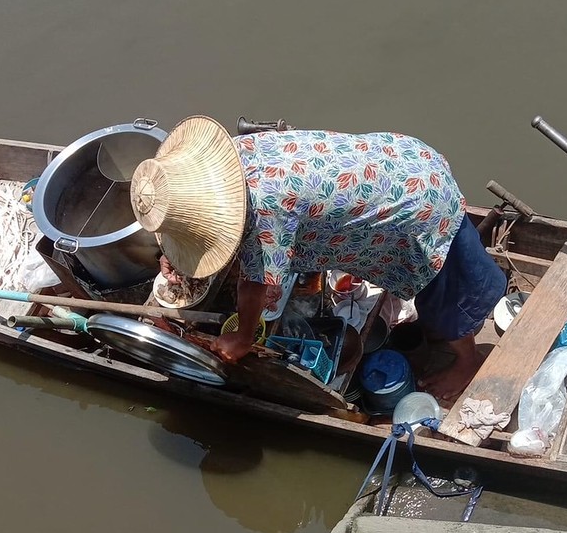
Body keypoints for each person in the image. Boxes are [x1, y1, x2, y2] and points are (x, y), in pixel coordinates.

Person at [132, 116, 506, 399]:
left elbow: (260, 287)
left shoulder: (265, 209)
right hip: (406, 157)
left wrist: (242, 338)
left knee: (443, 294)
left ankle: (468, 360)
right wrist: (178, 255)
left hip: (419, 206)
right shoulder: (228, 155)